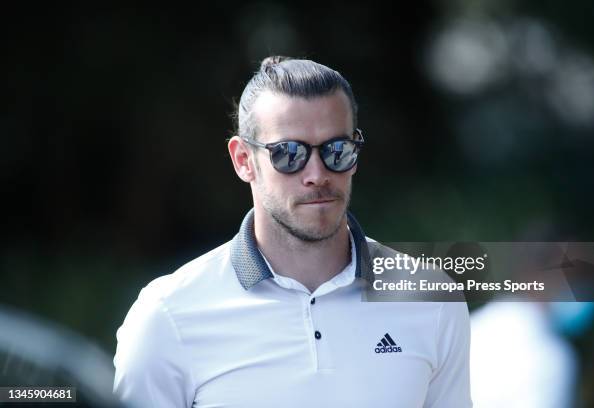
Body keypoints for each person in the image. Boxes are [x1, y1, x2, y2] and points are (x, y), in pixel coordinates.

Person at [113, 56, 472, 407]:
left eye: (337, 150)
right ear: (243, 160)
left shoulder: (432, 299)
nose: (317, 173)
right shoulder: (167, 316)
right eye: (288, 153)